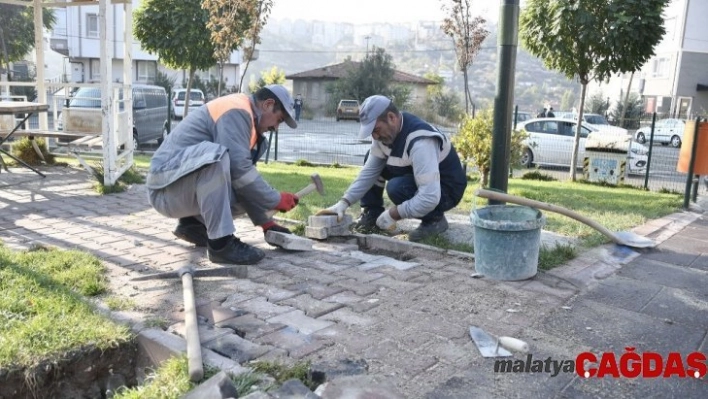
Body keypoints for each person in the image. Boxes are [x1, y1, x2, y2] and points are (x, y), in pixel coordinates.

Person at [146, 85, 300, 265]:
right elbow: (239, 168)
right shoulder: (236, 110)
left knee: (244, 185)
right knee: (217, 157)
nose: (275, 128)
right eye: (279, 120)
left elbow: (243, 182)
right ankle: (221, 244)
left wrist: (266, 222)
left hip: (177, 188)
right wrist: (274, 199)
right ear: (267, 104)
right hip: (164, 189)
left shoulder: (248, 124)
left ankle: (194, 225)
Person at [318, 95, 468, 241]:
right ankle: (372, 213)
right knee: (370, 159)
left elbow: (429, 197)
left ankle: (435, 220)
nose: (375, 137)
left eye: (376, 130)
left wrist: (394, 214)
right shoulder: (384, 136)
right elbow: (369, 173)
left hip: (447, 190)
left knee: (397, 188)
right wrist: (344, 202)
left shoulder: (421, 142)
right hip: (417, 177)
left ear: (391, 117)